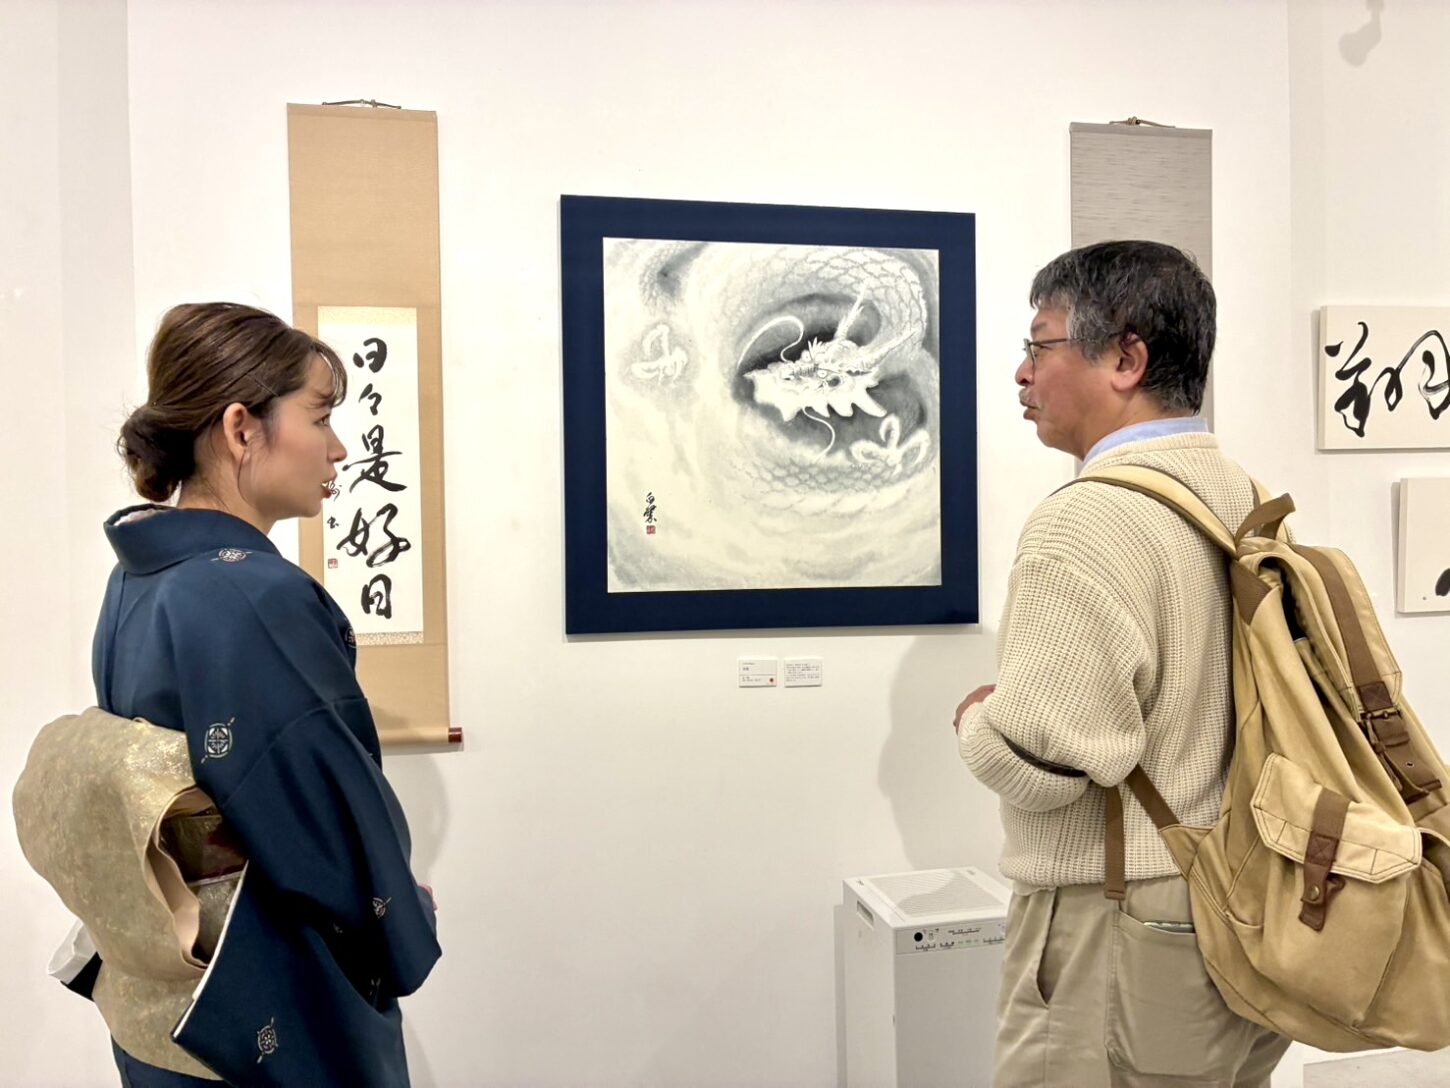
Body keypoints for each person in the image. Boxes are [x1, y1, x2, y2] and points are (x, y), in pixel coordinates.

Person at [953, 242, 1290, 1087]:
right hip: (1246, 895)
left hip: (1120, 913)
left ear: (1126, 359)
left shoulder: (1087, 519)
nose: (1023, 373)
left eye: (1040, 345)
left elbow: (1050, 761)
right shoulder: (1244, 496)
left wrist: (977, 720)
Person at [88, 302, 440, 1086]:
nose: (338, 449)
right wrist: (398, 910)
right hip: (272, 1007)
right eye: (320, 417)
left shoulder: (138, 579)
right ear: (242, 429)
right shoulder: (255, 595)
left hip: (179, 997)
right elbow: (324, 822)